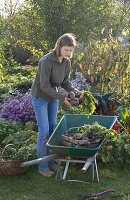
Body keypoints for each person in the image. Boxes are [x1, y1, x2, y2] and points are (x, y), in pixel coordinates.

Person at [31, 33, 82, 177]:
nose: (69, 53)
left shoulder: (66, 62)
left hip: (53, 97)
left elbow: (65, 82)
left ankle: (51, 160)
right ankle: (42, 166)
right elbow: (45, 86)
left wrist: (75, 92)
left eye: (71, 50)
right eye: (66, 50)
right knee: (44, 131)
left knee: (53, 129)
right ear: (59, 47)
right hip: (40, 97)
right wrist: (62, 97)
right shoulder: (46, 61)